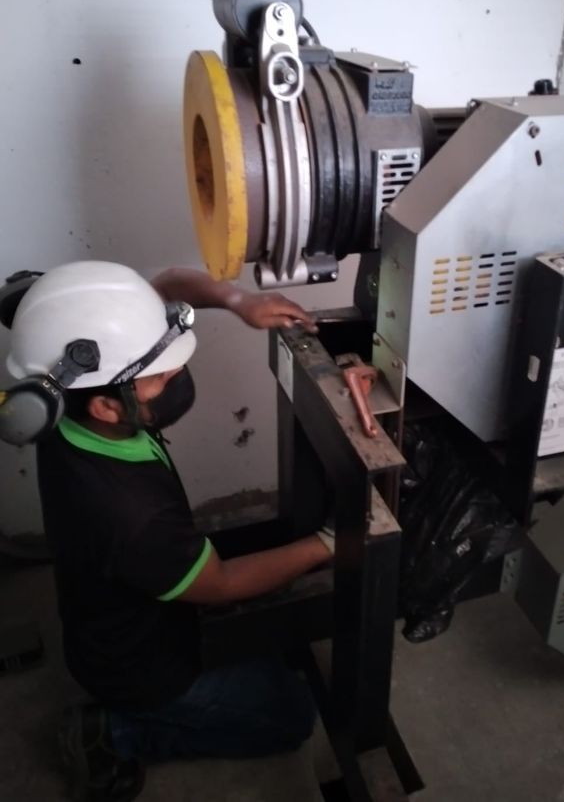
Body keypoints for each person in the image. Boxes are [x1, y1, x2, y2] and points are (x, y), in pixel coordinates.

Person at [4, 261, 333, 802]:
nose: (177, 377)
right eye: (161, 376)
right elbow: (222, 582)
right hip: (139, 669)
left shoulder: (63, 390)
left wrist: (237, 301)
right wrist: (326, 545)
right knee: (290, 715)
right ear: (108, 405)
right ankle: (114, 733)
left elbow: (164, 284)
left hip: (117, 603)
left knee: (264, 620)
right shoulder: (126, 512)